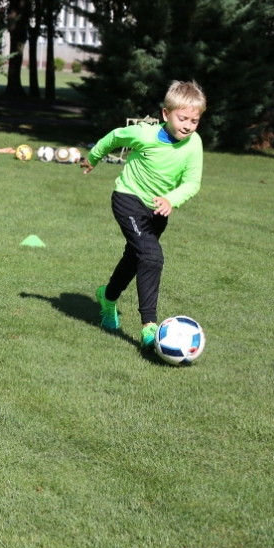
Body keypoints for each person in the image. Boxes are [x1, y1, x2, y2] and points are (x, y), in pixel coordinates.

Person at [81, 80, 205, 348]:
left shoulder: (194, 144)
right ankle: (150, 327)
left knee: (135, 257)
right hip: (128, 198)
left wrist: (171, 199)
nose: (188, 126)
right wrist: (93, 157)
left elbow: (192, 182)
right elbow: (115, 137)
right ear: (166, 114)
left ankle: (107, 297)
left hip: (158, 210)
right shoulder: (144, 134)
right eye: (182, 118)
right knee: (151, 256)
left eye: (194, 121)